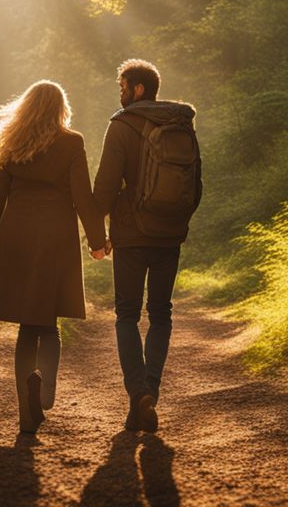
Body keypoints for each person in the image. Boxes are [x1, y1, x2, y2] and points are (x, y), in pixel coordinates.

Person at [0, 80, 110, 435]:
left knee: (25, 328)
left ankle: (24, 412)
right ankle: (44, 393)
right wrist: (98, 241)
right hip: (55, 239)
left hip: (15, 236)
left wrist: (5, 240)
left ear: (27, 107)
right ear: (60, 108)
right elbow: (82, 197)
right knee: (46, 324)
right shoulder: (71, 142)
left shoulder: (12, 145)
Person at [93, 59, 202, 433]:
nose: (119, 92)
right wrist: (176, 222)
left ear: (138, 89)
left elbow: (105, 186)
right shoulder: (181, 124)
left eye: (122, 86)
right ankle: (148, 395)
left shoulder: (122, 126)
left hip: (131, 235)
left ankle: (138, 391)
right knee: (161, 313)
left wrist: (97, 232)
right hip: (169, 235)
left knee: (126, 314)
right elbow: (196, 185)